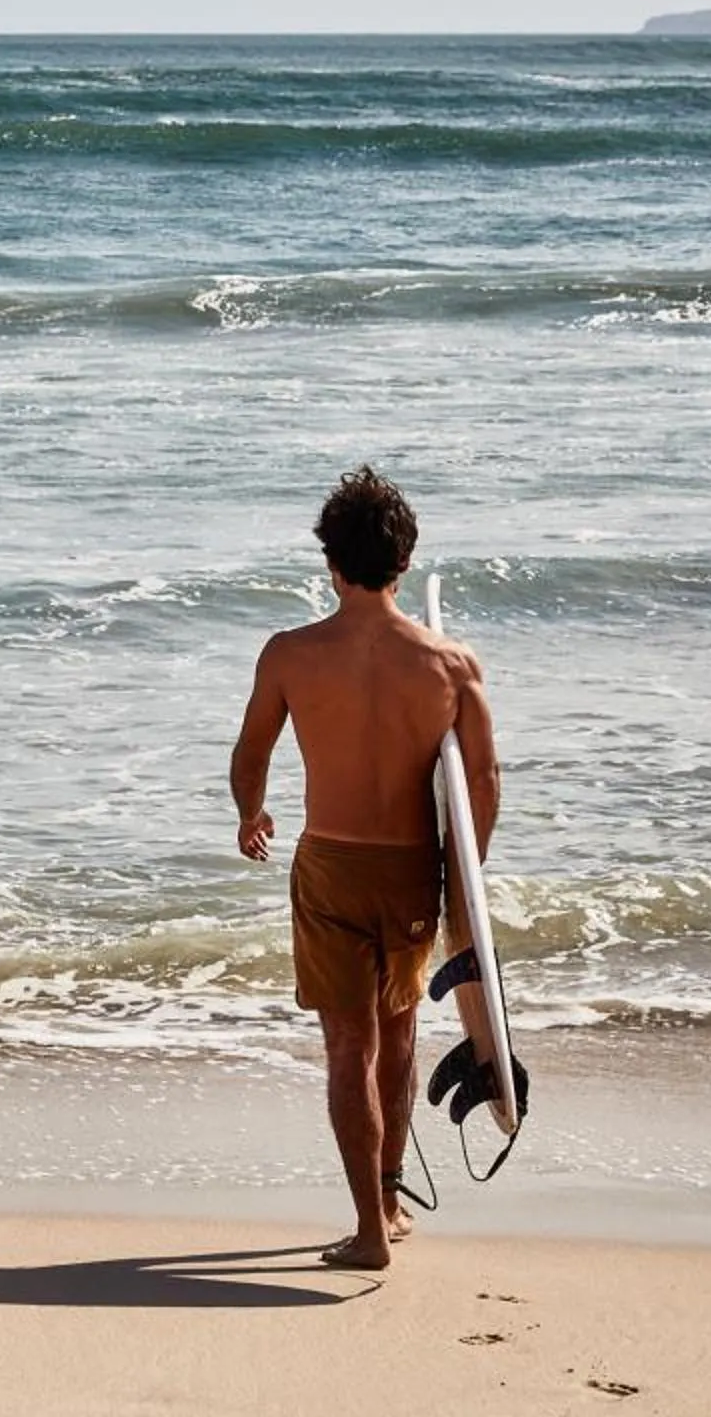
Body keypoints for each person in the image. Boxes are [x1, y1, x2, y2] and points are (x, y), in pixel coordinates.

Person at [228, 467, 498, 1271]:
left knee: (348, 1047)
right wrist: (464, 884)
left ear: (330, 565)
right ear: (404, 562)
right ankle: (388, 1198)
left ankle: (369, 1230)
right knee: (399, 1034)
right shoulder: (451, 666)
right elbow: (482, 781)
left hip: (330, 866)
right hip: (414, 869)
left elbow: (251, 752)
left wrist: (251, 812)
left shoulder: (290, 654)